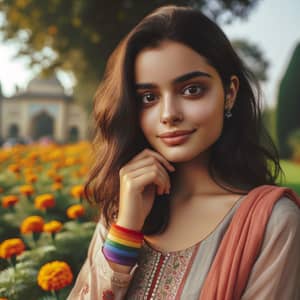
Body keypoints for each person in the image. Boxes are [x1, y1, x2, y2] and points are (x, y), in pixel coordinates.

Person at [67, 5, 300, 300]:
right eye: (149, 97)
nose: (169, 114)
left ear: (229, 93)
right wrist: (125, 230)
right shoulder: (124, 208)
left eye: (191, 90)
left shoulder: (273, 224)